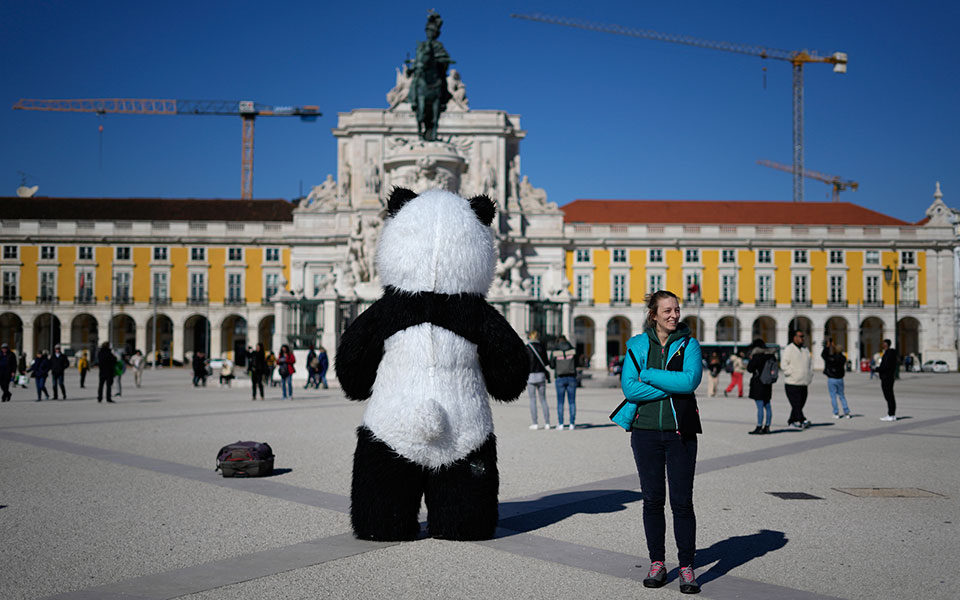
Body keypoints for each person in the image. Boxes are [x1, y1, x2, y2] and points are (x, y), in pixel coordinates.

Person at [621, 290, 703, 594]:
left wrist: (650, 375)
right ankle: (657, 563)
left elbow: (690, 381)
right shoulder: (636, 345)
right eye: (667, 310)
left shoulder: (689, 345)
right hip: (645, 433)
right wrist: (672, 385)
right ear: (653, 315)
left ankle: (686, 566)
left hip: (680, 432)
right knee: (653, 501)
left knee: (682, 503)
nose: (674, 315)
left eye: (676, 309)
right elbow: (630, 390)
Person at [781, 329, 813, 429]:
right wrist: (792, 373)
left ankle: (792, 421)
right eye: (800, 336)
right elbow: (784, 364)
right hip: (792, 382)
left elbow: (810, 363)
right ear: (794, 337)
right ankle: (802, 419)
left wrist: (810, 374)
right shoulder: (789, 349)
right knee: (796, 404)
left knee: (800, 404)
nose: (803, 338)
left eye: (803, 336)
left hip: (804, 382)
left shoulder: (805, 349)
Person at [746, 338, 775, 434]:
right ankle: (767, 427)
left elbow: (750, 369)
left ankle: (759, 427)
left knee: (760, 406)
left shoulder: (757, 356)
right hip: (768, 383)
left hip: (758, 383)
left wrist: (751, 359)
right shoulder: (771, 356)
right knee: (768, 405)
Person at [549, 335, 577, 430]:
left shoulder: (555, 351)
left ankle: (561, 423)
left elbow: (552, 365)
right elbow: (577, 363)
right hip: (571, 377)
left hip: (560, 378)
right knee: (572, 402)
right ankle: (572, 424)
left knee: (560, 402)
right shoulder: (573, 350)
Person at [525, 330, 551, 430]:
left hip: (531, 376)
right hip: (541, 375)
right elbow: (546, 362)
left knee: (532, 400)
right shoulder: (542, 347)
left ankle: (535, 423)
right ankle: (547, 423)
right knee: (543, 399)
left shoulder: (527, 348)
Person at [822, 338, 851, 419]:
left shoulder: (831, 358)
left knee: (833, 396)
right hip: (840, 379)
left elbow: (823, 355)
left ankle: (836, 413)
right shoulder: (843, 358)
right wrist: (834, 347)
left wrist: (828, 346)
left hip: (831, 378)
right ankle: (846, 412)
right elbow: (839, 353)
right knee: (842, 395)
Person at [877, 339, 899, 421]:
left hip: (886, 377)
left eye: (883, 343)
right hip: (890, 377)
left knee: (888, 396)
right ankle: (892, 414)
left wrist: (877, 369)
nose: (882, 345)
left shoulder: (888, 354)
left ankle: (890, 414)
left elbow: (885, 366)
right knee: (890, 396)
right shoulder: (892, 354)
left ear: (886, 344)